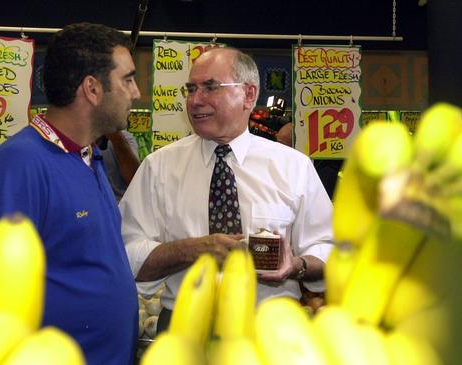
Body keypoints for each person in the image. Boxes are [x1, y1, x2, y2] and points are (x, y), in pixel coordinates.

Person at [120, 47, 334, 331]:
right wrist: (193, 249)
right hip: (184, 327)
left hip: (272, 331)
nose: (195, 101)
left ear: (248, 94)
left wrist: (297, 265)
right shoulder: (158, 167)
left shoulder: (294, 167)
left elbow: (328, 247)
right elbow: (125, 251)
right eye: (191, 89)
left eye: (210, 87)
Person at [0, 23, 141, 365]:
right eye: (127, 79)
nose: (136, 92)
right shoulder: (18, 165)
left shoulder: (89, 158)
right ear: (92, 90)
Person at [101, 130, 140, 202]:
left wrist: (116, 136)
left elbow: (134, 180)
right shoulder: (79, 137)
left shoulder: (123, 137)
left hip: (118, 205)